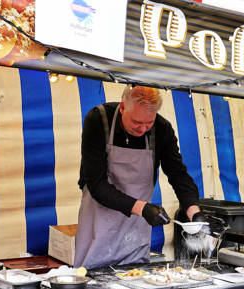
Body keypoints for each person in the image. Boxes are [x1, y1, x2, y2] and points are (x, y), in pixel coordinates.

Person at [75, 85, 202, 269]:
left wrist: (195, 214)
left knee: (134, 274)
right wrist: (143, 208)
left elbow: (178, 175)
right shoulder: (98, 119)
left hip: (136, 224)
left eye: (149, 123)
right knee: (94, 275)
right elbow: (96, 184)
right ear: (123, 107)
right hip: (99, 219)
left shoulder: (162, 129)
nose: (142, 129)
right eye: (136, 122)